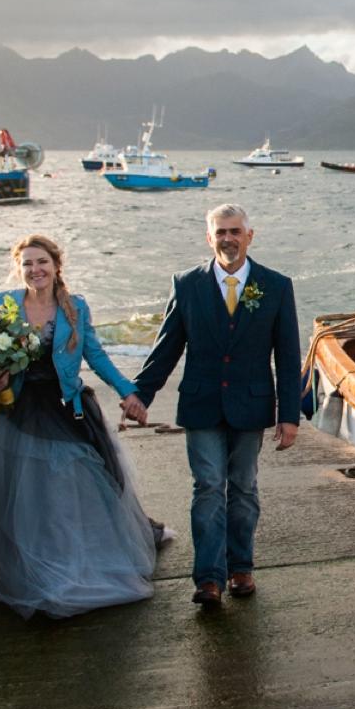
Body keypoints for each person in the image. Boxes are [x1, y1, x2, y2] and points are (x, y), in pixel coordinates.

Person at [0, 235, 165, 619]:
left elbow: (95, 356)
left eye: (42, 263)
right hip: (13, 406)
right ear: (19, 269)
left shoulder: (75, 308)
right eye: (28, 264)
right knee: (12, 492)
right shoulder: (4, 304)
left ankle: (67, 563)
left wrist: (129, 393)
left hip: (63, 403)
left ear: (56, 266)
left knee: (68, 487)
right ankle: (15, 566)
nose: (35, 270)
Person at [126, 204, 300, 606]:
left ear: (249, 236)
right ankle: (208, 579)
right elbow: (166, 347)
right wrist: (141, 394)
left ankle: (241, 567)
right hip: (201, 403)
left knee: (243, 489)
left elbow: (288, 358)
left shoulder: (275, 285)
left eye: (235, 231)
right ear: (209, 238)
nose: (228, 239)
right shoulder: (187, 284)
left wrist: (289, 416)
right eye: (220, 232)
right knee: (207, 488)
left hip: (252, 405)